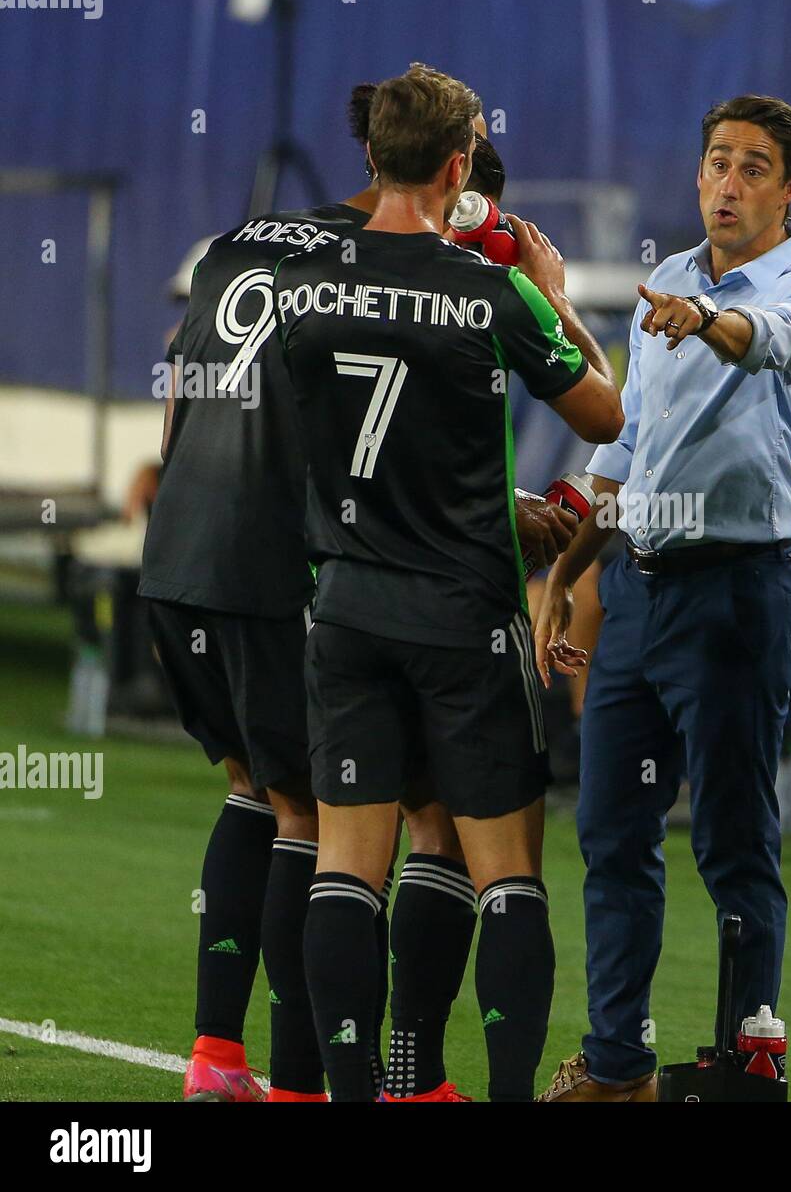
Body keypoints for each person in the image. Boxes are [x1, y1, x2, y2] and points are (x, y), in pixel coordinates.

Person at [139, 68, 573, 1103]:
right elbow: (342, 446)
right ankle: (338, 1084)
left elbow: (184, 385)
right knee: (373, 820)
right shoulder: (410, 280)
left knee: (262, 791)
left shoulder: (253, 243)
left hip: (182, 557)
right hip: (303, 571)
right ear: (463, 197)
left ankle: (218, 1057)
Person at [276, 65, 621, 1102]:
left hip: (343, 608)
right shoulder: (490, 288)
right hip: (465, 614)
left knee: (345, 866)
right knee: (507, 870)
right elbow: (606, 418)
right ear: (460, 165)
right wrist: (555, 299)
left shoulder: (302, 281)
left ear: (372, 157)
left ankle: (355, 1091)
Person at [534, 94, 791, 1101]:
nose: (728, 183)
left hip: (739, 595)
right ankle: (619, 1063)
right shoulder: (663, 279)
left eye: (754, 167)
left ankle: (745, 1064)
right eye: (717, 161)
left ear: (789, 186)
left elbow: (766, 341)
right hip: (637, 590)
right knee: (613, 836)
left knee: (731, 838)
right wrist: (570, 571)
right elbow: (626, 449)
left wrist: (709, 319)